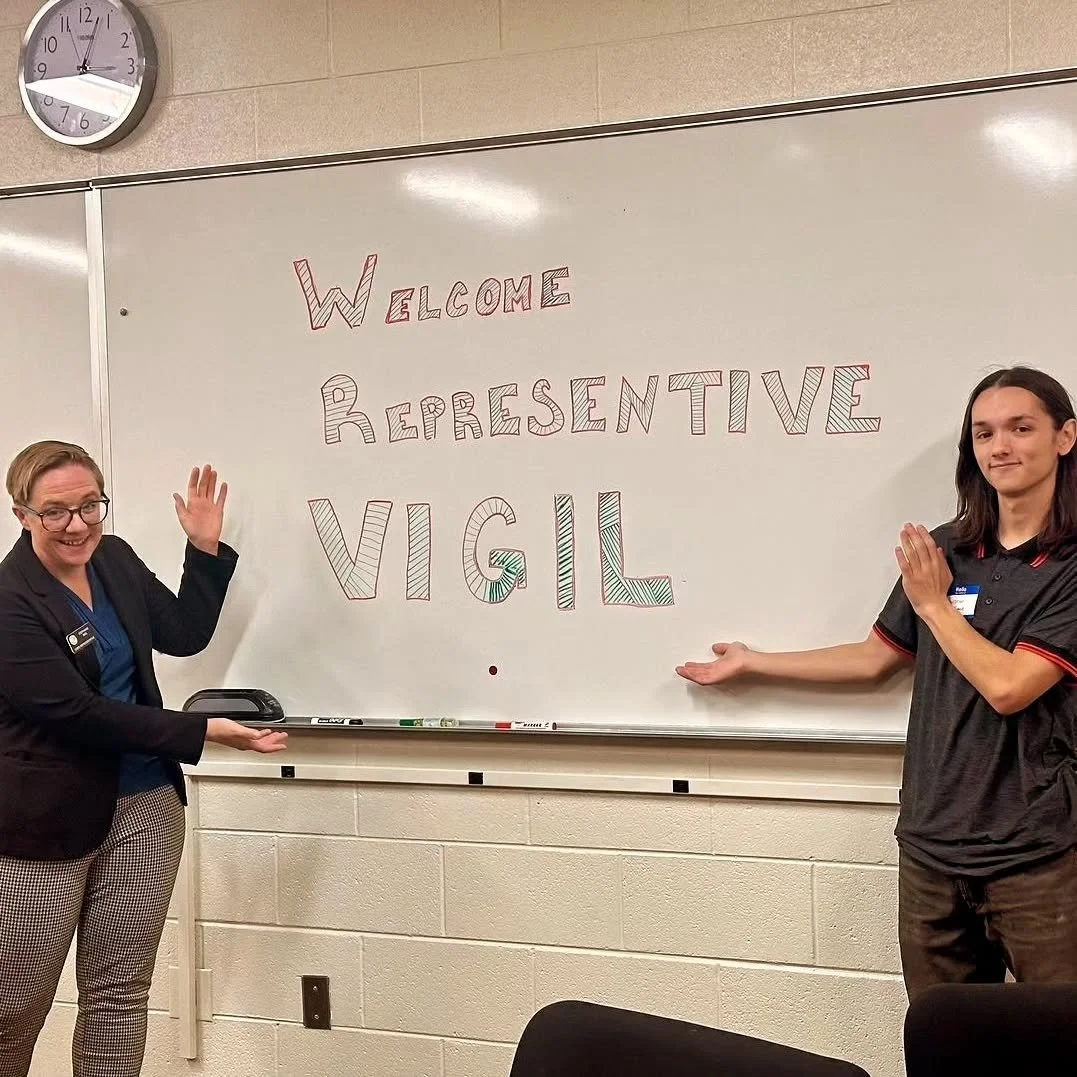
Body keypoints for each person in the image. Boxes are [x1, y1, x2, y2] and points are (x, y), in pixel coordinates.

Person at [676, 366, 1077, 1000]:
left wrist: (936, 607)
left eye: (1020, 428)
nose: (1000, 447)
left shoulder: (1069, 563)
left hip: (1038, 854)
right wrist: (757, 662)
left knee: (1054, 1047)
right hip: (930, 848)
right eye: (983, 433)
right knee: (943, 1043)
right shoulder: (948, 549)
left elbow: (1009, 687)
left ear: (1064, 437)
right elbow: (873, 659)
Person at [0, 440, 287, 1077]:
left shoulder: (116, 561)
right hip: (46, 825)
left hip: (145, 811)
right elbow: (79, 714)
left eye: (89, 507)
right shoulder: (9, 601)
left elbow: (184, 632)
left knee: (119, 999)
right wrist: (200, 731)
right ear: (22, 513)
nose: (77, 526)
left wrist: (205, 551)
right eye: (55, 512)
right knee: (14, 1007)